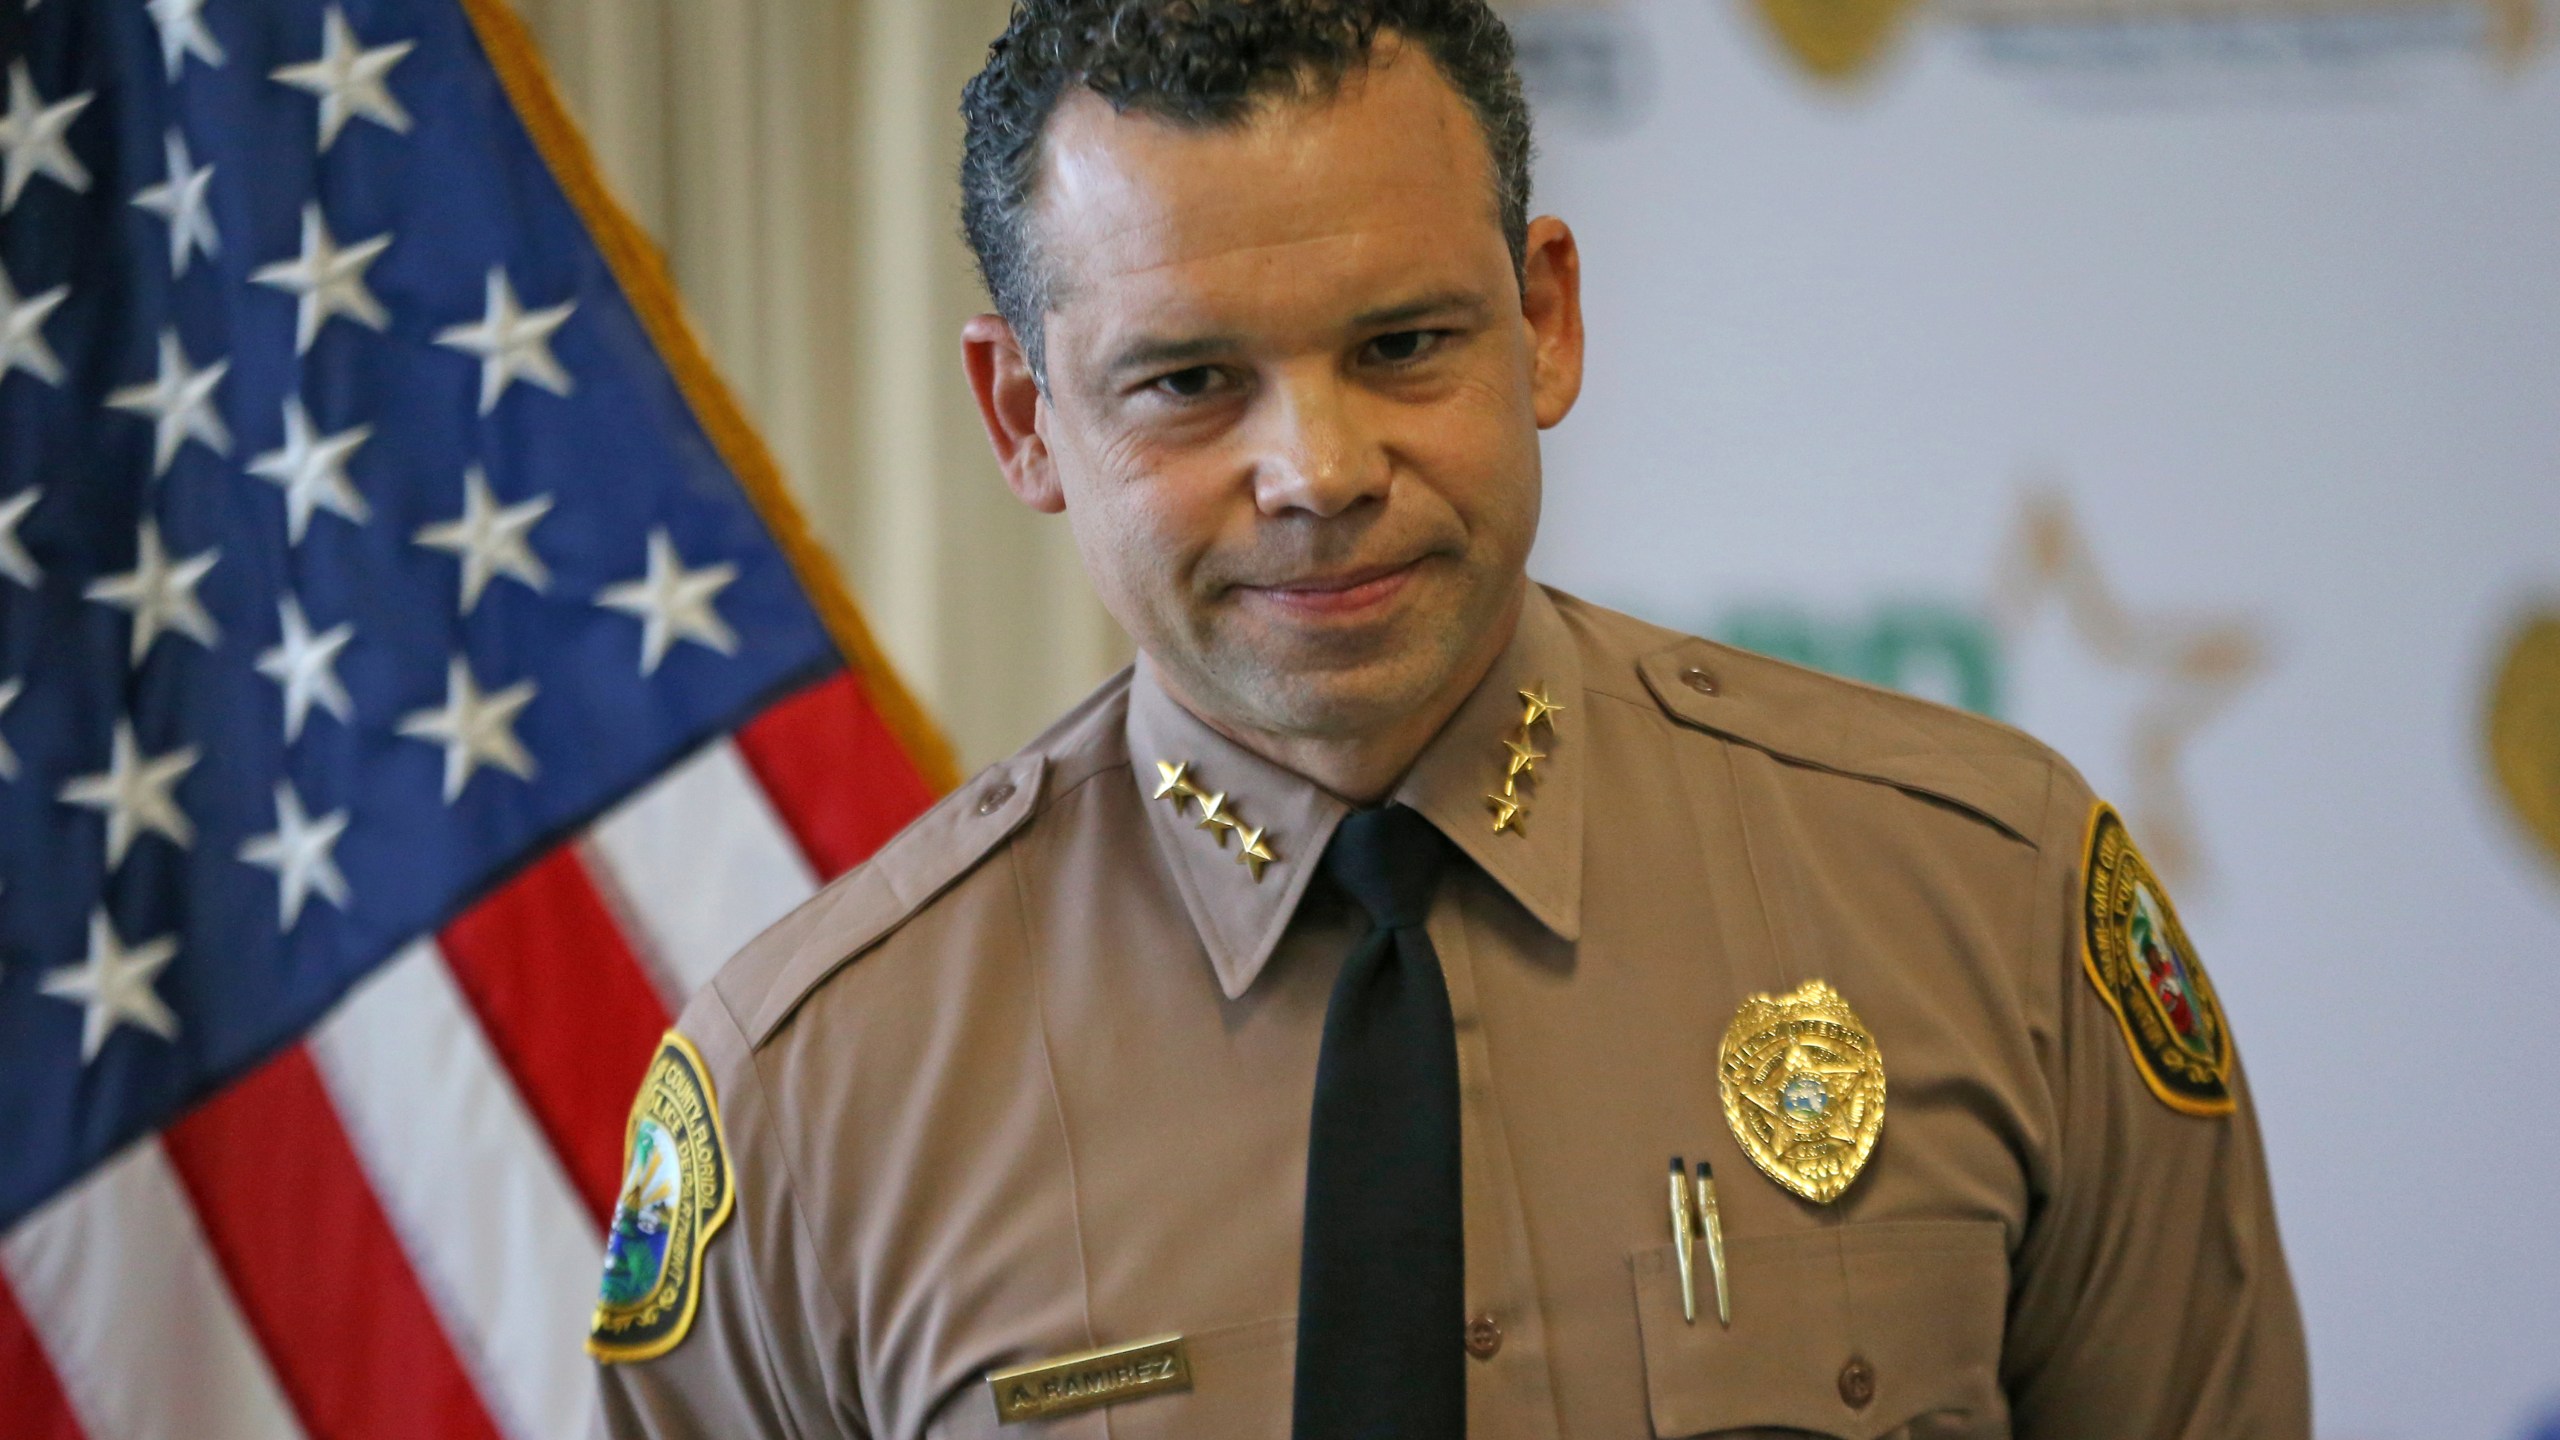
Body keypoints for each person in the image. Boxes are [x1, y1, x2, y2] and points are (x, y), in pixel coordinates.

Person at [588, 2, 2311, 1435]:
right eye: (1188, 382)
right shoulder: (812, 1104)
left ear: (1545, 321)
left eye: (1406, 344)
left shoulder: (1987, 904)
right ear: (1024, 415)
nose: (1319, 475)